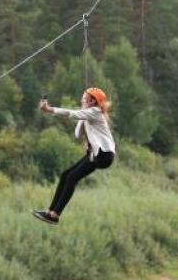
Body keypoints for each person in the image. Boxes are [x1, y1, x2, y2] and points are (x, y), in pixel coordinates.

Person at [33, 87, 116, 225]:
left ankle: (55, 214)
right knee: (66, 175)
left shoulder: (96, 112)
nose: (82, 99)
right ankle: (50, 212)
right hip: (96, 155)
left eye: (84, 97)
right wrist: (82, 117)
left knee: (71, 177)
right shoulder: (88, 114)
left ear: (92, 101)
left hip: (103, 156)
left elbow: (70, 113)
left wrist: (49, 109)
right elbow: (78, 134)